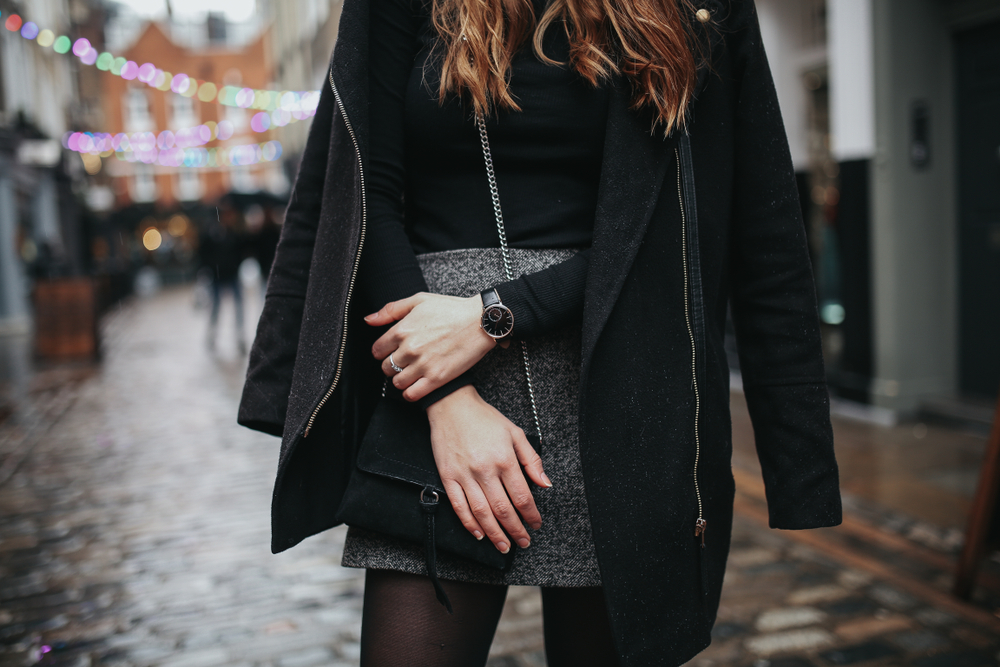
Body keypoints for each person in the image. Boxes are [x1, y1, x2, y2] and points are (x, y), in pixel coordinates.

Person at [238, 0, 843, 664]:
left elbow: (739, 233)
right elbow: (366, 191)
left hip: (626, 388)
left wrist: (497, 314)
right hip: (428, 376)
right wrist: (444, 399)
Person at [200, 204, 246, 354]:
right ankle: (211, 337)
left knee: (238, 308)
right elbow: (203, 253)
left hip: (231, 275)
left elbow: (240, 252)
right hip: (217, 276)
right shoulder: (211, 233)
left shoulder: (233, 233)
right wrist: (211, 268)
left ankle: (240, 337)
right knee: (215, 309)